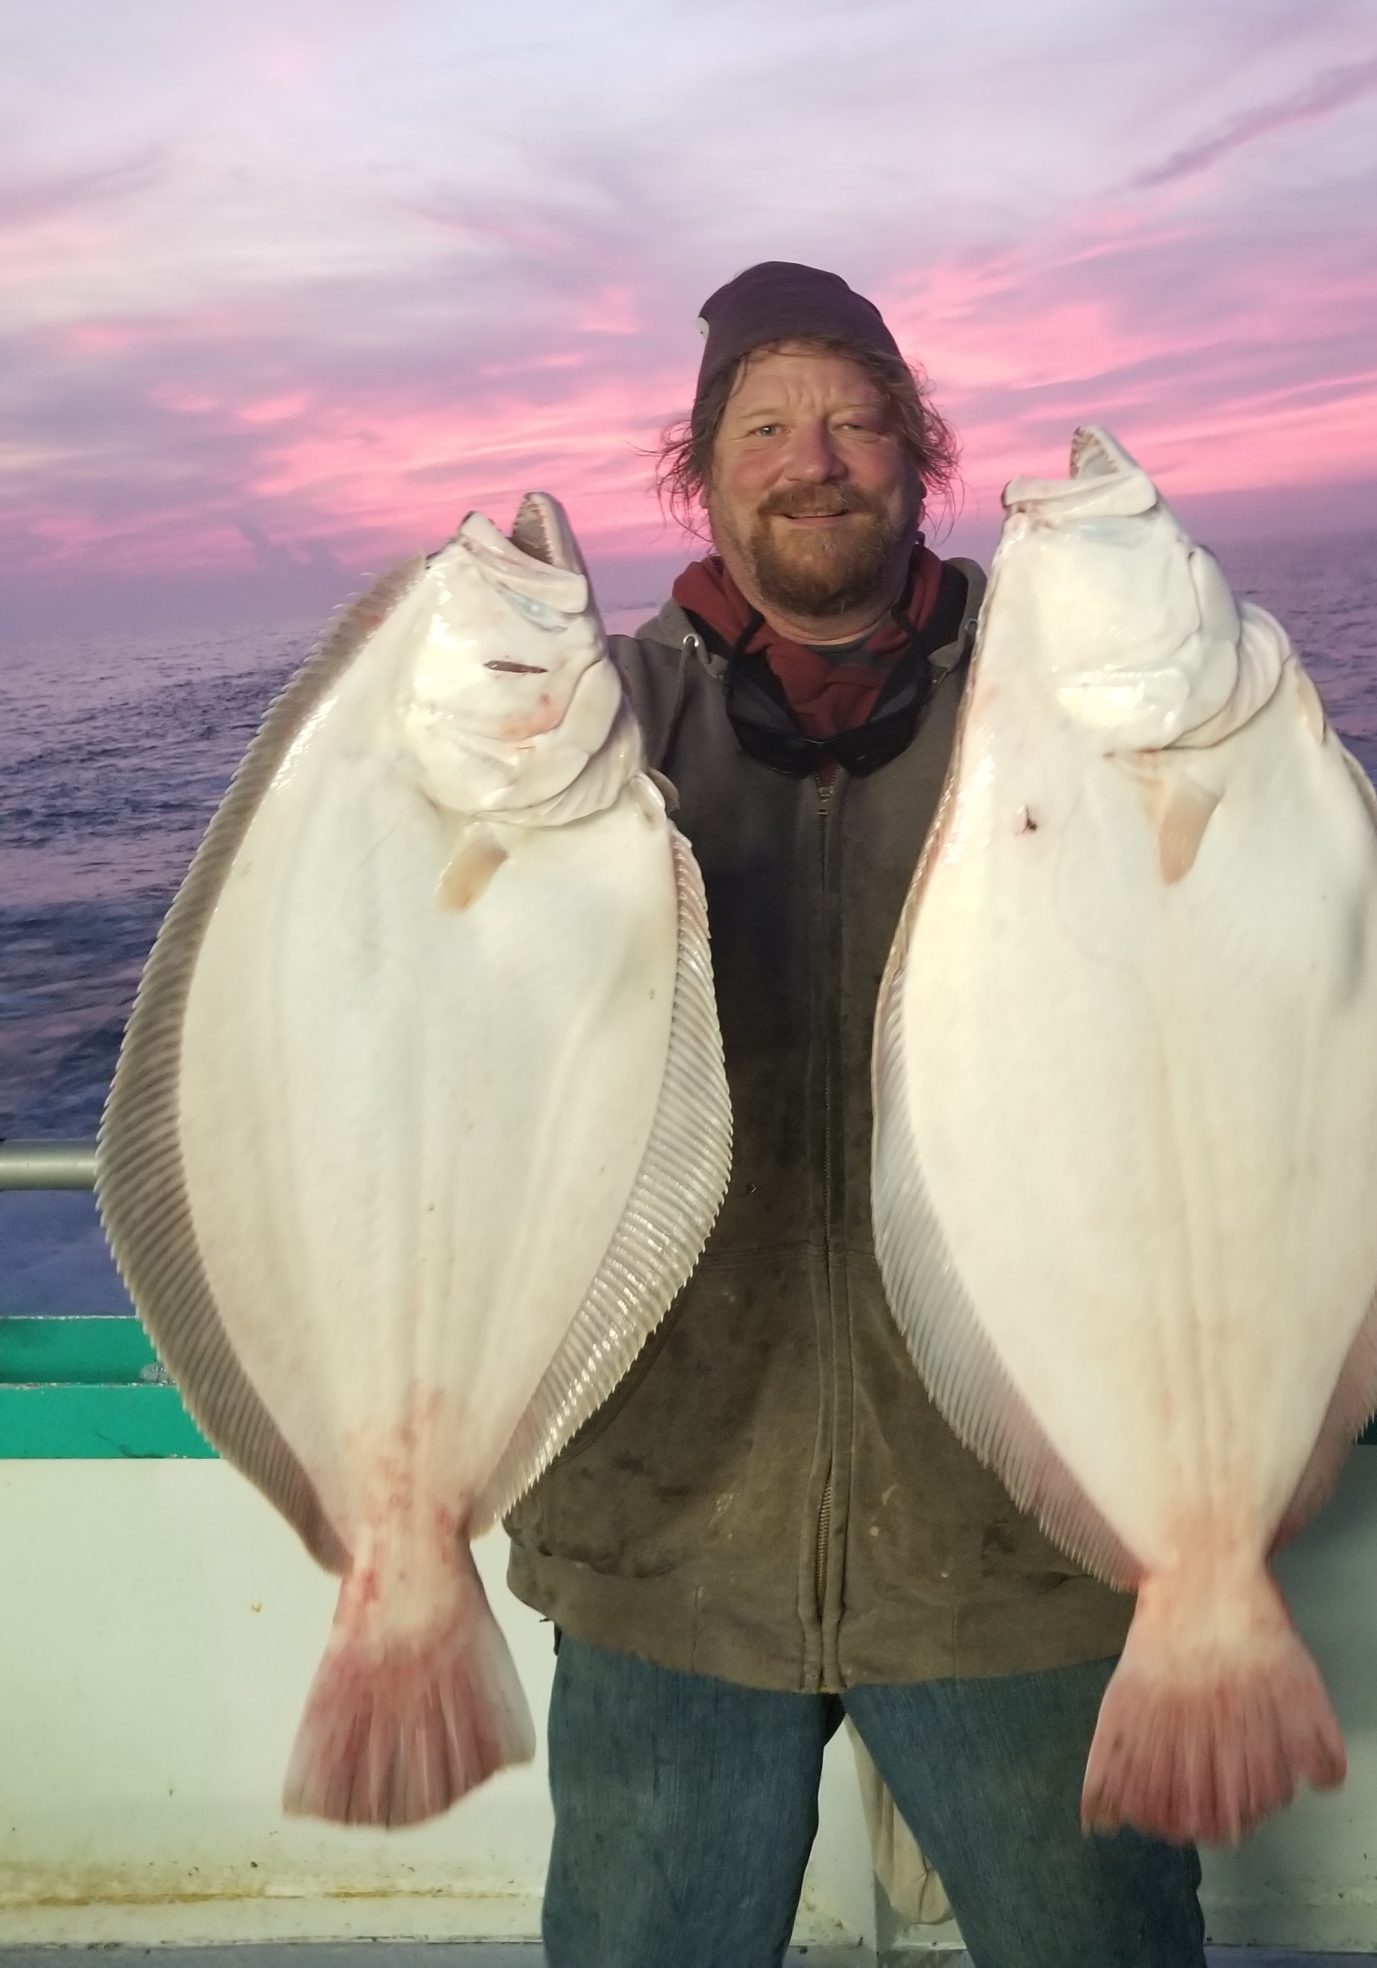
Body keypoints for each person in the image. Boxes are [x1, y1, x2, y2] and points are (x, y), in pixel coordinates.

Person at [506, 263, 1205, 1968]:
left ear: (923, 452)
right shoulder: (584, 734)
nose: (813, 459)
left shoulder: (1080, 708)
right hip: (666, 1525)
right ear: (700, 470)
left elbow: (1244, 991)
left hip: (1018, 1527)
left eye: (857, 420)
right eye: (764, 427)